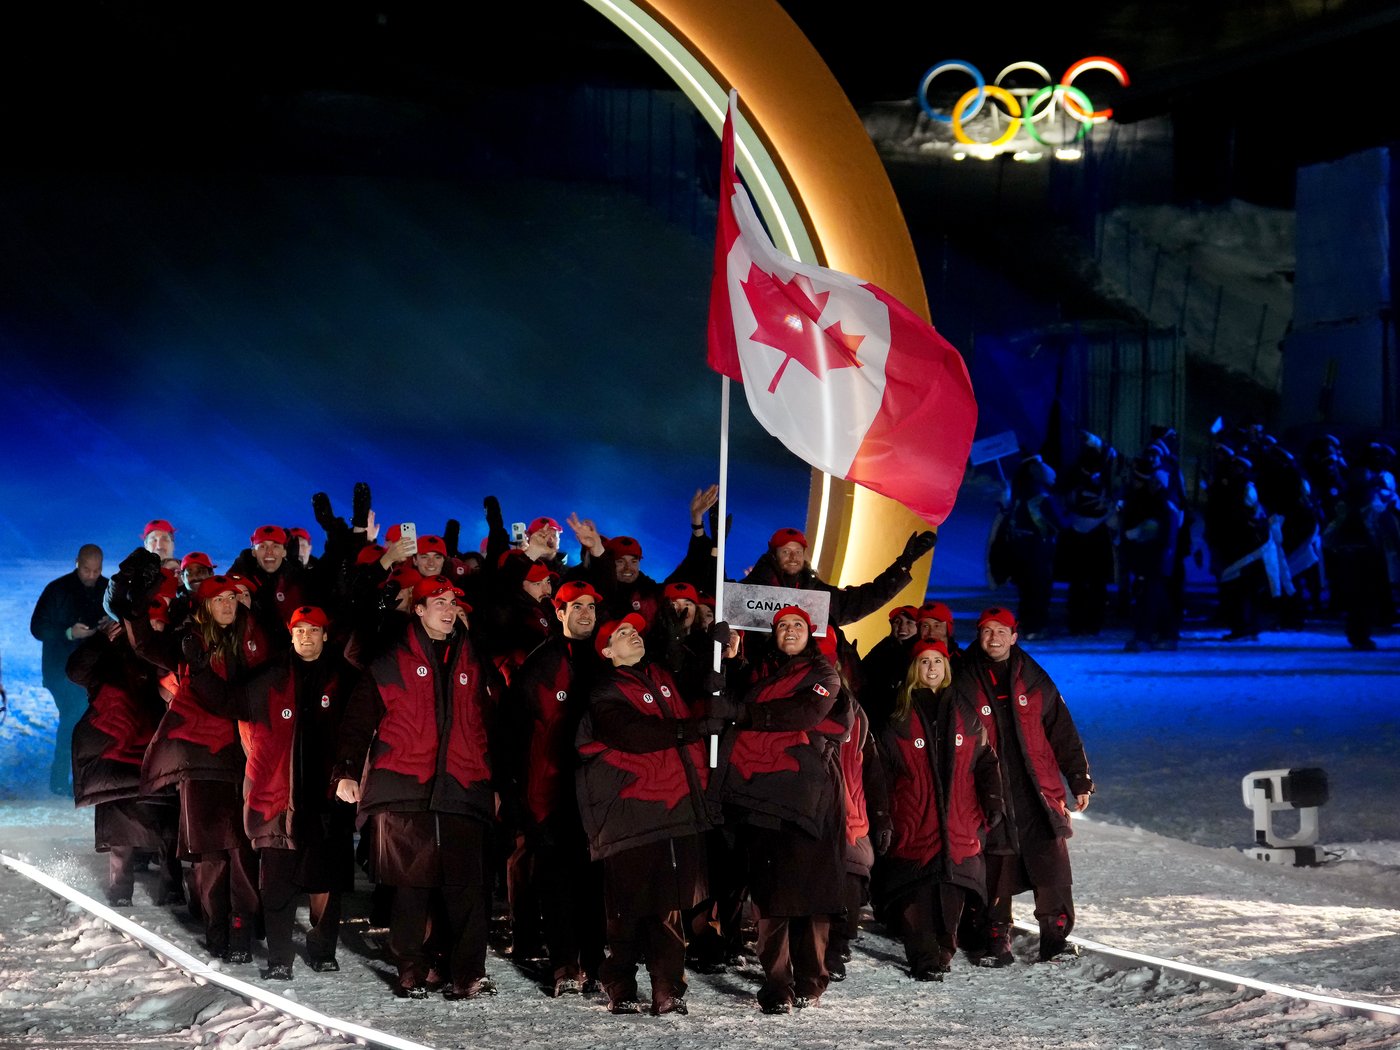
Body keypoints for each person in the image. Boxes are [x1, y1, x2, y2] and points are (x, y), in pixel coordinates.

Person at [334, 575, 498, 1000]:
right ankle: (412, 969)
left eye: (453, 602)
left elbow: (494, 725)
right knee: (411, 887)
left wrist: (498, 782)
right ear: (419, 609)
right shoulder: (390, 658)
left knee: (467, 889)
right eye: (438, 602)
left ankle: (468, 974)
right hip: (404, 789)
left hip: (464, 787)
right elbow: (357, 720)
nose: (448, 609)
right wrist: (345, 771)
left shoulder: (476, 658)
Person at [187, 605, 355, 980]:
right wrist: (199, 670)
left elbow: (359, 728)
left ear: (326, 635)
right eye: (300, 630)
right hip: (277, 798)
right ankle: (280, 959)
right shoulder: (269, 676)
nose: (306, 637)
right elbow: (226, 701)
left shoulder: (344, 677)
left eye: (314, 630)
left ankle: (323, 949)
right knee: (277, 882)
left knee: (326, 882)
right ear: (291, 635)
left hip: (327, 800)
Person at [709, 606, 852, 1014]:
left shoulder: (824, 675)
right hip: (760, 797)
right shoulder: (759, 672)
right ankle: (776, 983)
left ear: (810, 632)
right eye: (783, 625)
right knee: (771, 896)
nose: (789, 631)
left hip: (809, 800)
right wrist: (728, 661)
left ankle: (811, 979)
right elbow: (728, 700)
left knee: (812, 895)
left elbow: (802, 713)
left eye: (797, 625)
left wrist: (743, 714)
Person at [574, 613, 712, 1017]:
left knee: (668, 906)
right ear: (606, 651)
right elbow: (632, 733)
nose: (633, 634)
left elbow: (703, 689)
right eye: (622, 633)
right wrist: (689, 730)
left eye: (635, 630)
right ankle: (619, 984)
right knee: (627, 910)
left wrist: (722, 651)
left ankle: (667, 989)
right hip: (629, 816)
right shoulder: (605, 689)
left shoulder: (662, 677)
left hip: (672, 809)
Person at [138, 574, 270, 963]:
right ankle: (217, 930)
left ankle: (240, 929)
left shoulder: (254, 640)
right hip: (201, 760)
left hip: (246, 756)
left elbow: (248, 695)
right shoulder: (187, 642)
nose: (228, 605)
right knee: (211, 851)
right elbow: (144, 643)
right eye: (219, 599)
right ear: (204, 607)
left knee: (242, 850)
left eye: (233, 598)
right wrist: (128, 596)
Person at [950, 607, 1093, 965]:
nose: (994, 638)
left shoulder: (1033, 677)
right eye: (987, 630)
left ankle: (1055, 940)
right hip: (989, 788)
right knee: (997, 865)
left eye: (1002, 631)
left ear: (1014, 637)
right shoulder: (963, 677)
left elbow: (1061, 729)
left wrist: (1079, 778)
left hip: (1036, 789)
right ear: (978, 635)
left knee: (1051, 863)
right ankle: (996, 940)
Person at [875, 640, 1003, 980]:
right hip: (914, 819)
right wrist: (883, 815)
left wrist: (993, 800)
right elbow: (881, 772)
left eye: (937, 661)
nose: (931, 668)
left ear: (946, 667)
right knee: (917, 892)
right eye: (924, 661)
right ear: (914, 669)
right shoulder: (898, 717)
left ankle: (943, 952)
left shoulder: (965, 713)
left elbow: (985, 761)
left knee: (951, 892)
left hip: (958, 819)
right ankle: (924, 956)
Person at [509, 580, 607, 997]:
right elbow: (515, 730)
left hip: (599, 793)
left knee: (595, 883)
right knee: (557, 883)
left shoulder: (607, 659)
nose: (585, 613)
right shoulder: (541, 662)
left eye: (591, 606)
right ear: (559, 612)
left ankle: (596, 963)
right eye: (576, 606)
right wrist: (519, 790)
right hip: (550, 793)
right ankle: (565, 964)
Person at [31, 544, 110, 795]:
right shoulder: (57, 589)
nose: (91, 576)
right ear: (77, 563)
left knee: (85, 721)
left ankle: (79, 778)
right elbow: (37, 628)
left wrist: (109, 623)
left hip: (95, 670)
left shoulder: (107, 588)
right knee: (73, 718)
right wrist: (68, 632)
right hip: (61, 671)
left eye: (96, 571)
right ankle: (63, 779)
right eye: (87, 570)